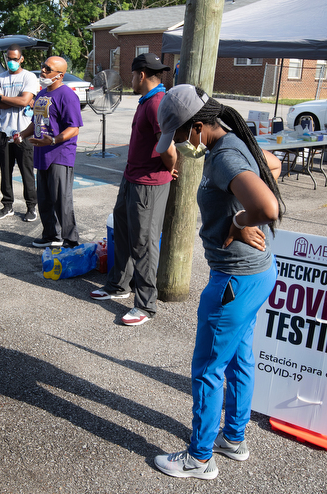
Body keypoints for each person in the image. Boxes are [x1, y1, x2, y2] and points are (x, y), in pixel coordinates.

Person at [152, 85, 284, 480]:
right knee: (239, 360)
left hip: (233, 281)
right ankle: (234, 439)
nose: (178, 143)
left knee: (208, 368)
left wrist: (239, 221)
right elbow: (273, 165)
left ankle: (199, 458)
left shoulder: (225, 157)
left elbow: (267, 206)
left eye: (179, 134)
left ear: (197, 127)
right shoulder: (232, 144)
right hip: (255, 275)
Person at [89, 53, 177, 326]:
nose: (129, 80)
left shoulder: (157, 104)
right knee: (124, 233)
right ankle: (119, 285)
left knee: (144, 243)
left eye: (131, 75)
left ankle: (145, 305)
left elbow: (169, 148)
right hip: (132, 178)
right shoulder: (147, 101)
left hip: (148, 185)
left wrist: (170, 167)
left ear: (141, 75)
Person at [15, 56, 83, 248]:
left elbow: (74, 128)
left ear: (59, 75)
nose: (42, 71)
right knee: (44, 198)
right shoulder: (42, 93)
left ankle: (71, 240)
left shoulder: (67, 95)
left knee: (61, 200)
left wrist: (53, 140)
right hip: (41, 153)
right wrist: (21, 134)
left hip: (60, 154)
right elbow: (36, 121)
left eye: (48, 69)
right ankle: (51, 235)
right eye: (43, 66)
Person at [0, 44, 39, 222]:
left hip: (24, 132)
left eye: (14, 59)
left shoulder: (29, 77)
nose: (11, 62)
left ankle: (31, 207)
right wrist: (18, 101)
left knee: (26, 171)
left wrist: (2, 97)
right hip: (4, 132)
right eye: (9, 59)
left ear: (21, 59)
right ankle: (7, 205)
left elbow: (25, 100)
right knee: (5, 171)